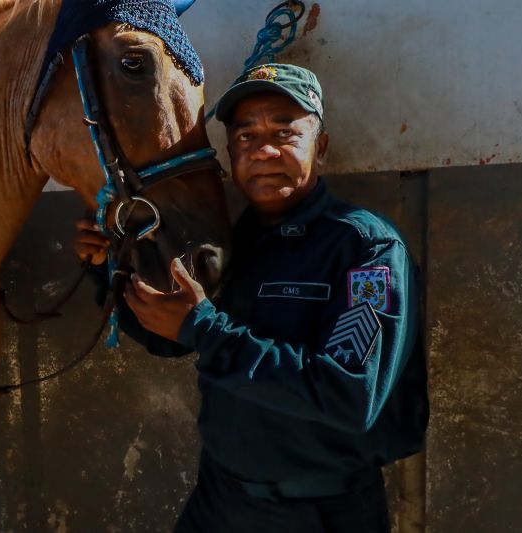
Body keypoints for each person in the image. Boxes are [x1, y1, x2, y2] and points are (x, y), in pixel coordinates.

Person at [74, 63, 429, 533]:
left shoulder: (365, 249)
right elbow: (173, 339)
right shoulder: (235, 241)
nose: (263, 151)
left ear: (320, 148)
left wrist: (204, 327)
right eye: (245, 138)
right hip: (220, 503)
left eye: (285, 134)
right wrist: (106, 273)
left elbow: (349, 394)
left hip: (320, 513)